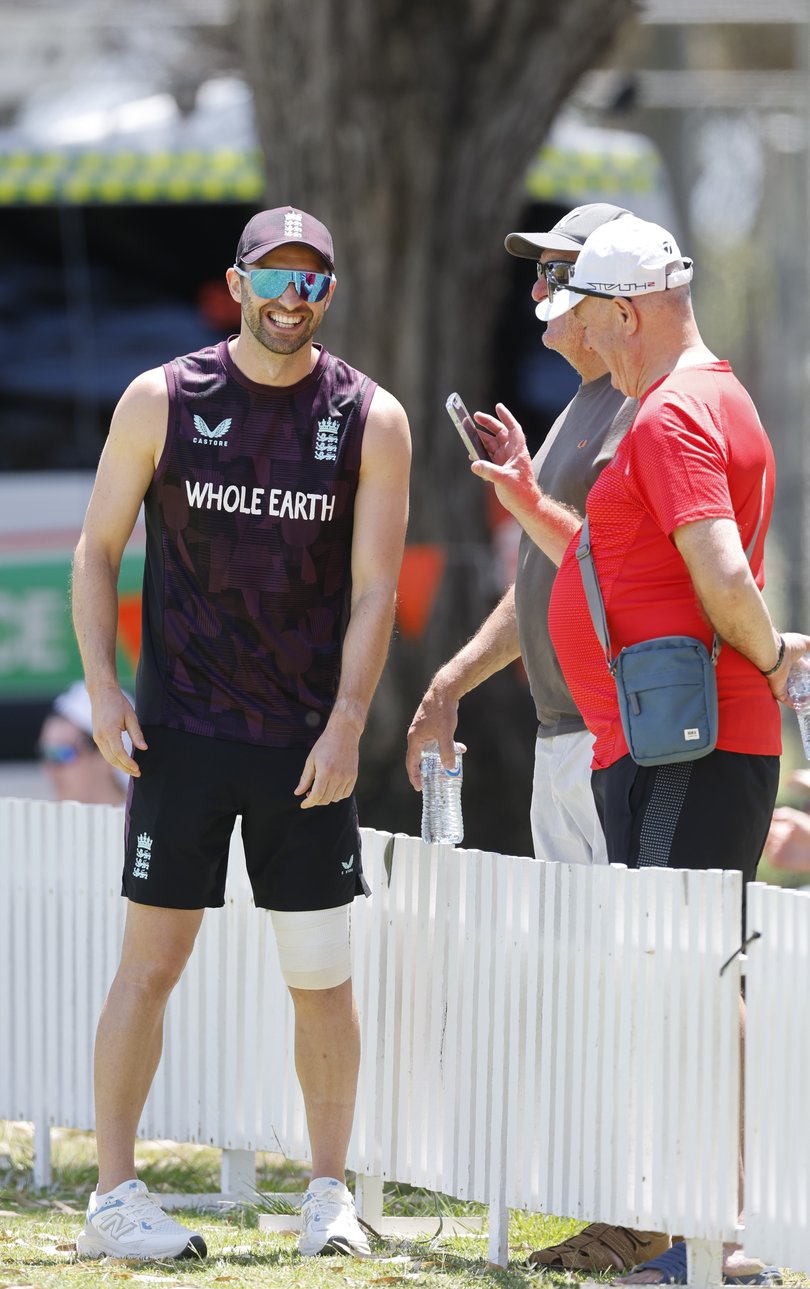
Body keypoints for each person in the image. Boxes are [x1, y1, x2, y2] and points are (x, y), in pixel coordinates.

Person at [471, 214, 807, 1286]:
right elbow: (628, 559)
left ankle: (726, 1230)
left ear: (631, 309)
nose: (589, 346)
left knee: (695, 974)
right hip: (659, 738)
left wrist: (769, 657)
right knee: (676, 972)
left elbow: (716, 569)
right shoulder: (678, 406)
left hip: (690, 739)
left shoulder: (671, 416)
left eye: (596, 324)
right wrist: (530, 503)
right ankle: (678, 1225)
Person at [70, 206, 411, 1261]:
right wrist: (103, 689)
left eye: (312, 281)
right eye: (275, 277)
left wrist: (350, 721)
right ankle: (115, 1196)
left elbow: (373, 590)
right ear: (238, 282)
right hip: (181, 729)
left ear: (329, 294)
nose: (291, 299)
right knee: (150, 962)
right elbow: (95, 553)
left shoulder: (370, 417)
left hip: (304, 743)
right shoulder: (163, 397)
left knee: (321, 972)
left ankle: (326, 1193)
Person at [408, 203, 668, 1274]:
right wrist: (455, 677)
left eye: (560, 270)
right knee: (597, 983)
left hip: (615, 741)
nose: (539, 291)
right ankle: (632, 1211)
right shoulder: (580, 408)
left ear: (613, 289)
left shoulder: (643, 409)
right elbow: (547, 585)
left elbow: (629, 580)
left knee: (639, 983)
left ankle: (663, 1220)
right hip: (566, 739)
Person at [38, 681, 129, 805]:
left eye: (63, 753)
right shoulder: (48, 823)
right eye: (46, 753)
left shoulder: (144, 823)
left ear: (110, 755)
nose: (50, 769)